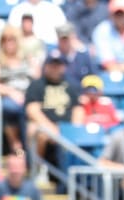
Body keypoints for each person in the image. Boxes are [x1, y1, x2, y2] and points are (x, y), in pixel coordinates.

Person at [25, 49, 84, 179]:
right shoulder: (37, 85)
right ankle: (38, 169)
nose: (55, 68)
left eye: (58, 65)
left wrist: (72, 130)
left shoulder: (71, 85)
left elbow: (78, 109)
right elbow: (32, 110)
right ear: (46, 66)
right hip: (47, 128)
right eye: (52, 65)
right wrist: (52, 129)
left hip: (67, 128)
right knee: (34, 130)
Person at [0, 25, 40, 155]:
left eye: (12, 39)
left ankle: (27, 149)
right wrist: (11, 92)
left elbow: (38, 78)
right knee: (14, 108)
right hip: (7, 96)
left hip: (28, 95)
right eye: (5, 39)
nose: (8, 43)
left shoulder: (27, 57)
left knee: (31, 108)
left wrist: (28, 94)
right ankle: (18, 146)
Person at [54, 22, 97, 89]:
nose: (65, 42)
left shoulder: (83, 56)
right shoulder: (54, 57)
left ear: (73, 37)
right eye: (62, 39)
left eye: (67, 38)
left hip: (81, 93)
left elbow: (93, 77)